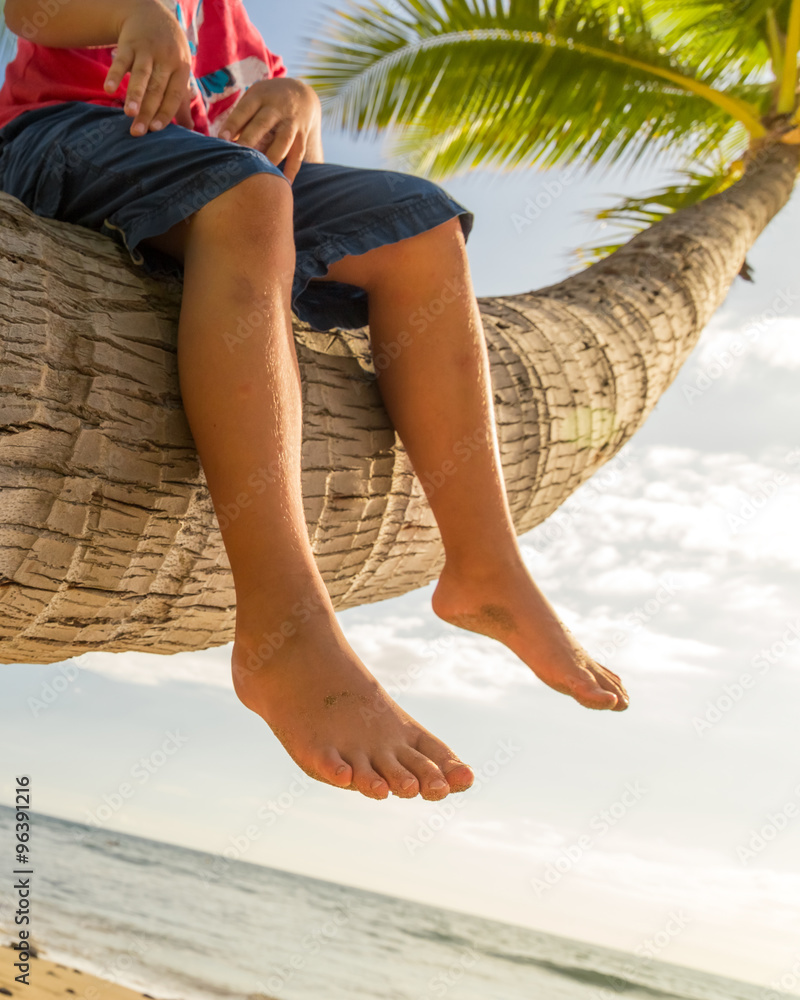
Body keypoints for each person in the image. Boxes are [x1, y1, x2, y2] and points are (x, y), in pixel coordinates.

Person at [0, 0, 629, 803]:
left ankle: (485, 567)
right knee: (251, 195)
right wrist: (138, 14)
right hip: (57, 139)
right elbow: (31, 11)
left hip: (218, 183)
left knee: (421, 224)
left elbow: (295, 166)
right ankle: (283, 625)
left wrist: (302, 102)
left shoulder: (229, 23)